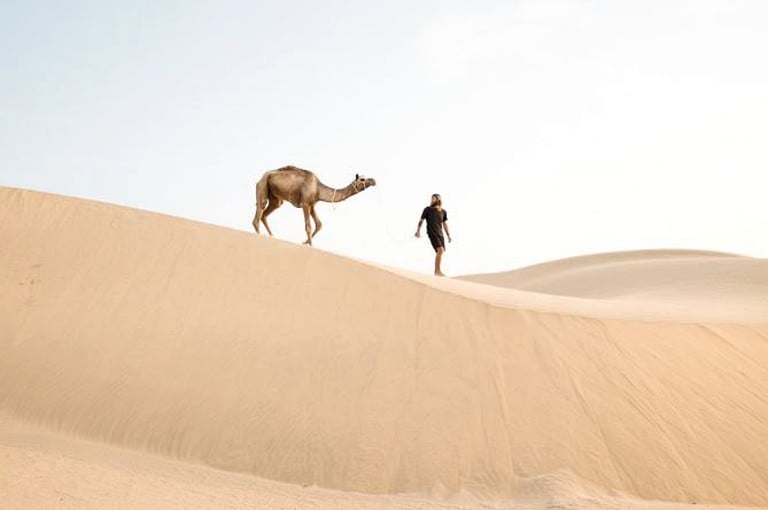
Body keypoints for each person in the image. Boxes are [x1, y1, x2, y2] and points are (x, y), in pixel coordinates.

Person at [415, 193, 452, 276]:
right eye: (431, 199)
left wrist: (448, 235)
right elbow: (421, 220)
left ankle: (437, 270)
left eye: (433, 199)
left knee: (441, 251)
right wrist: (418, 231)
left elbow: (445, 224)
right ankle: (437, 271)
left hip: (440, 234)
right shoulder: (427, 209)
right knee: (440, 250)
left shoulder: (443, 211)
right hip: (432, 232)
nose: (431, 200)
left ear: (438, 200)